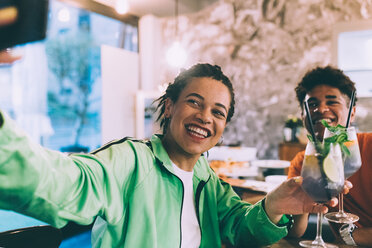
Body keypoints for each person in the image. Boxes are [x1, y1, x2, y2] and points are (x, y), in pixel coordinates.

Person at [0, 61, 342, 247]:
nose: (205, 117)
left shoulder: (210, 182)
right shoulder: (129, 161)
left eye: (218, 112)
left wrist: (273, 206)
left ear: (223, 128)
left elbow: (240, 229)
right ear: (169, 106)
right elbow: (57, 182)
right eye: (194, 101)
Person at [287, 66, 372, 247]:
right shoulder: (304, 162)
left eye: (332, 102)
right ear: (303, 116)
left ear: (352, 113)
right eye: (312, 104)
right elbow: (296, 232)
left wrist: (350, 239)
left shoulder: (369, 145)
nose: (321, 109)